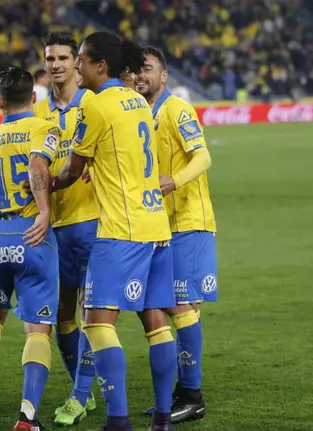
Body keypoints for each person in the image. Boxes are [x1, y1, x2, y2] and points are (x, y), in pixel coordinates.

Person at [53, 31, 177, 431]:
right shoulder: (137, 101)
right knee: (155, 320)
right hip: (156, 224)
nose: (76, 66)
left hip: (121, 229)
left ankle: (119, 421)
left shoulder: (95, 105)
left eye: (82, 60)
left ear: (99, 65)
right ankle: (162, 418)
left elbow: (72, 168)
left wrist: (48, 183)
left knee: (96, 322)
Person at [0, 66, 62, 431]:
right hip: (31, 235)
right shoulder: (42, 128)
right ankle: (27, 416)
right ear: (35, 98)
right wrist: (45, 209)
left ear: (0, 101)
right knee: (38, 328)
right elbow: (37, 164)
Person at [136, 47, 214, 423]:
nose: (140, 76)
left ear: (163, 76)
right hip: (161, 225)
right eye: (136, 70)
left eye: (148, 69)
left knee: (181, 307)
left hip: (187, 221)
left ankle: (193, 396)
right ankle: (181, 394)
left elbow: (203, 157)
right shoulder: (140, 114)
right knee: (172, 306)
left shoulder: (177, 109)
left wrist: (175, 180)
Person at [31, 31, 98, 426]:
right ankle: (82, 386)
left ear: (76, 62)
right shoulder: (37, 112)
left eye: (62, 57)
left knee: (93, 315)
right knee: (62, 314)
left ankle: (78, 395)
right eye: (49, 58)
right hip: (54, 229)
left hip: (93, 223)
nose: (55, 64)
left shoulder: (93, 103)